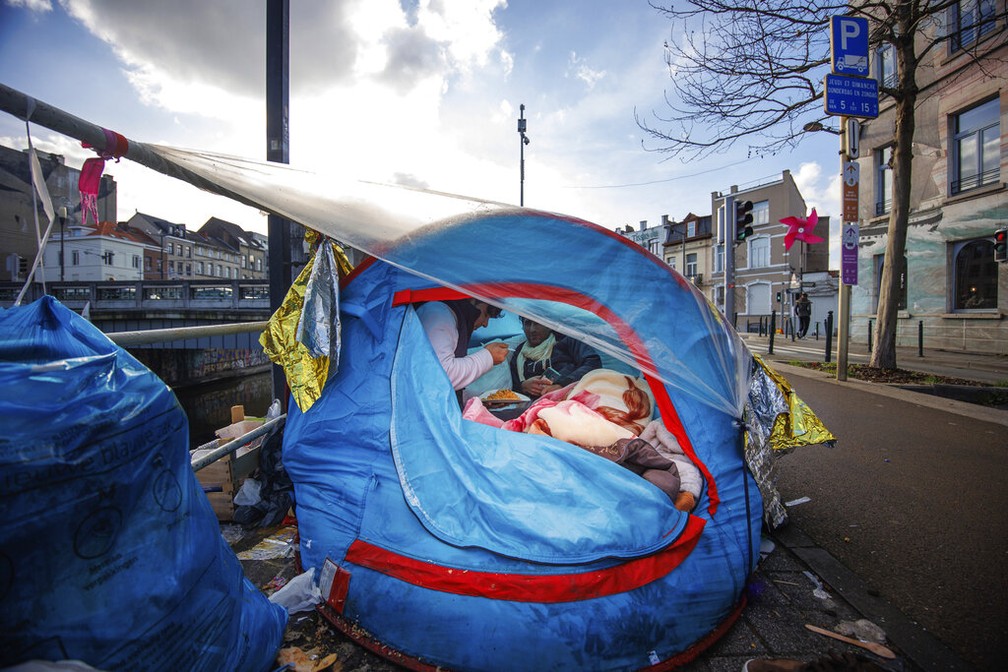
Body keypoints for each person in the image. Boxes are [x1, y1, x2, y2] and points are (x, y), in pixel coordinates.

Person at [416, 298, 509, 393]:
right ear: (473, 299)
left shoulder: (453, 316)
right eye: (485, 314)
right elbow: (442, 376)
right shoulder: (440, 315)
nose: (485, 324)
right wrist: (488, 356)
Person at [508, 317, 602, 398]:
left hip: (572, 394)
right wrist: (524, 386)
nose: (532, 329)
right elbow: (512, 387)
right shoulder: (520, 353)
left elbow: (593, 363)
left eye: (538, 323)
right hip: (534, 403)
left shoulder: (567, 340)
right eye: (528, 324)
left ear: (549, 325)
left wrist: (562, 385)